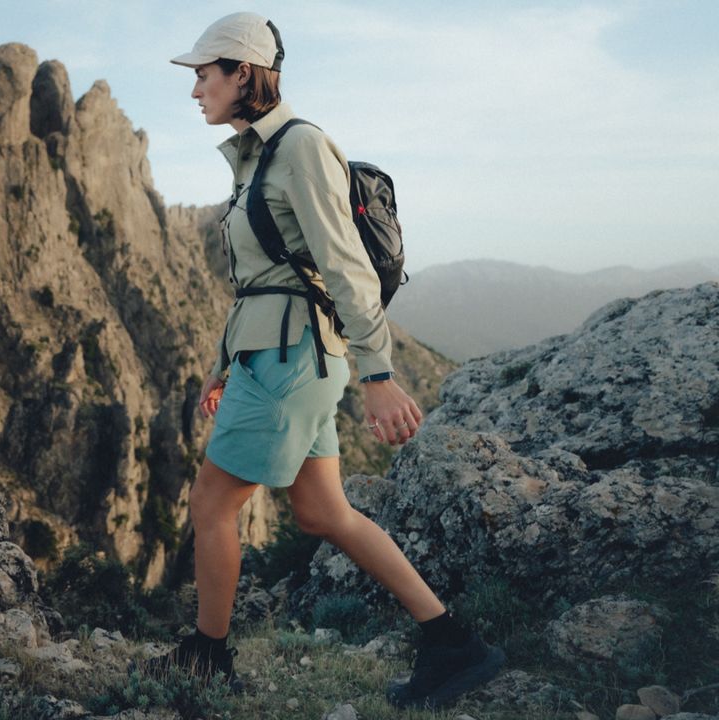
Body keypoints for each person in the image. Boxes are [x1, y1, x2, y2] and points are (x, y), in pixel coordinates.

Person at [134, 11, 506, 711]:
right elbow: (265, 277)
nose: (195, 92)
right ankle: (454, 643)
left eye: (204, 75)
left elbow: (342, 265)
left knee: (212, 502)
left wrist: (379, 373)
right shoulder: (257, 157)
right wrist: (223, 365)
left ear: (243, 73)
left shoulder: (300, 147)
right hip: (274, 352)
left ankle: (208, 656)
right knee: (323, 511)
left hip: (292, 359)